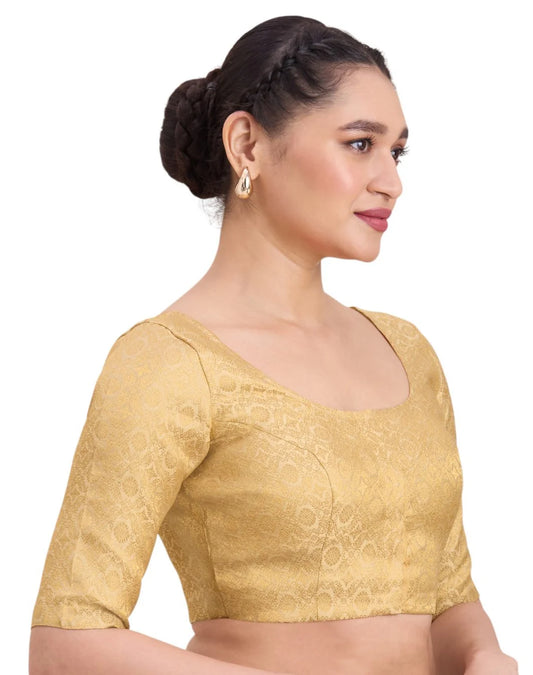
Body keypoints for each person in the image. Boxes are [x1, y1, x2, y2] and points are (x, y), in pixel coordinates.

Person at [29, 15, 518, 675]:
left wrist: (483, 654)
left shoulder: (407, 352)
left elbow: (448, 594)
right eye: (359, 144)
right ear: (247, 145)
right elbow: (66, 643)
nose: (391, 180)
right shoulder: (171, 363)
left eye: (396, 151)